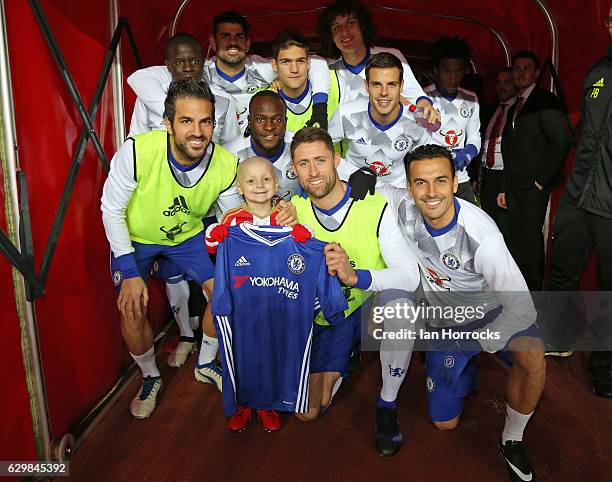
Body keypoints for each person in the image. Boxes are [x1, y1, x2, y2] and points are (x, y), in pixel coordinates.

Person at [382, 144, 546, 482]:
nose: (431, 192)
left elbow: (522, 308)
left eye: (440, 181)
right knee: (444, 423)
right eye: (421, 183)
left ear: (456, 183)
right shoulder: (401, 205)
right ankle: (462, 371)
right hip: (445, 322)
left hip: (493, 313)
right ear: (409, 186)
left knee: (533, 358)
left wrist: (475, 343)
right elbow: (354, 188)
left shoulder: (482, 236)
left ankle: (512, 439)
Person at [100, 80, 238, 418]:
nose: (198, 131)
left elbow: (231, 220)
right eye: (187, 121)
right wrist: (130, 273)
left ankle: (206, 362)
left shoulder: (226, 164)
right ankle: (149, 376)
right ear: (167, 122)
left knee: (225, 294)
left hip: (187, 236)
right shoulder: (137, 151)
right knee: (132, 307)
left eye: (206, 121)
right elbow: (110, 209)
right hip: (137, 237)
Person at [290, 127, 420, 457]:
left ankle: (387, 404)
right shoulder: (292, 210)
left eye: (320, 160)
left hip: (367, 306)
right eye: (303, 164)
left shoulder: (375, 207)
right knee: (307, 411)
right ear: (293, 169)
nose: (314, 172)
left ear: (337, 160)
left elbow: (409, 276)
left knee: (401, 310)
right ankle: (346, 357)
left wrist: (356, 276)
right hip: (324, 314)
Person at [206, 157, 297, 432]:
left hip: (275, 299)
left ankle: (267, 402)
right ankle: (242, 403)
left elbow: (297, 252)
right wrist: (216, 234)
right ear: (239, 187)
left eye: (266, 179)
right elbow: (214, 249)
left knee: (273, 351)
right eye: (251, 180)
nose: (259, 185)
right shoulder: (232, 219)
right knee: (240, 354)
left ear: (277, 183)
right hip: (242, 301)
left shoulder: (285, 217)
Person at [549, 4, 612, 397]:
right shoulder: (598, 72)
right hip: (578, 194)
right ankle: (559, 336)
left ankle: (604, 363)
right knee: (562, 271)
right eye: (611, 18)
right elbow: (587, 131)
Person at [498, 51, 571, 290]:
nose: (520, 73)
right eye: (516, 69)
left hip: (533, 188)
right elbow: (509, 152)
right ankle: (518, 294)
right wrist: (505, 188)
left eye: (526, 68)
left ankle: (535, 296)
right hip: (514, 187)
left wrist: (542, 181)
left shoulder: (545, 101)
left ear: (536, 73)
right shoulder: (514, 107)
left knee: (531, 244)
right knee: (515, 242)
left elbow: (561, 140)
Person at [204, 11, 330, 134]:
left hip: (253, 145)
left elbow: (315, 63)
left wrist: (320, 110)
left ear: (247, 44)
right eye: (225, 36)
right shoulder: (200, 72)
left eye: (239, 36)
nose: (233, 42)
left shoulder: (258, 69)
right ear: (213, 43)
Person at [316, 0, 438, 126]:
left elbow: (417, 96)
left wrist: (424, 105)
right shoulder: (326, 68)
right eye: (337, 27)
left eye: (351, 23)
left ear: (363, 26)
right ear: (330, 36)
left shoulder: (392, 56)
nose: (345, 32)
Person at [327, 52, 430, 189]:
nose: (384, 92)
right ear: (366, 85)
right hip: (353, 187)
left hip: (396, 192)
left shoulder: (415, 121)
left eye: (392, 84)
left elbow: (426, 163)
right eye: (376, 84)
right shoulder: (346, 114)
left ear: (402, 86)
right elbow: (320, 149)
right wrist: (348, 173)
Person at [127, 33, 240, 145]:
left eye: (195, 61)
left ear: (203, 62)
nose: (188, 68)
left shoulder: (224, 100)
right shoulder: (149, 96)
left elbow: (232, 148)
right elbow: (135, 143)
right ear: (168, 66)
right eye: (179, 62)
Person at [424, 36, 481, 203]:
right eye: (447, 71)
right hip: (431, 179)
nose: (453, 78)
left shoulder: (471, 99)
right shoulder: (423, 98)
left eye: (458, 71)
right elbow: (416, 139)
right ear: (435, 70)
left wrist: (467, 153)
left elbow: (475, 136)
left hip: (461, 180)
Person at [223, 91, 298, 202]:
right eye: (260, 120)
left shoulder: (301, 148)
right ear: (249, 121)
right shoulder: (229, 156)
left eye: (277, 120)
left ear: (285, 121)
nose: (269, 127)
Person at [267, 30, 338, 133]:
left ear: (308, 63)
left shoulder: (336, 84)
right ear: (274, 65)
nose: (294, 69)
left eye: (300, 61)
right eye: (286, 62)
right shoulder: (263, 101)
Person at [479, 68, 516, 237]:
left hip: (506, 176)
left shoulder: (518, 110)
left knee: (505, 228)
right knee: (487, 224)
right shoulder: (492, 109)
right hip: (487, 176)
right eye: (499, 83)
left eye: (507, 82)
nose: (502, 87)